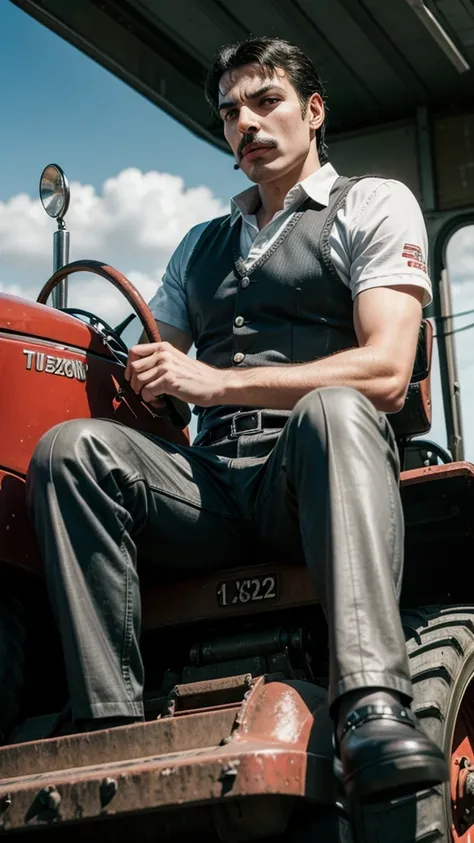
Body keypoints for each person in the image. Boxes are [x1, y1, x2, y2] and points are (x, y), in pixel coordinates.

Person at [26, 36, 448, 802]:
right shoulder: (201, 247)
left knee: (335, 409)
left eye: (265, 102)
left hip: (316, 473)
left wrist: (212, 383)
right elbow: (162, 361)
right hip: (214, 488)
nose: (245, 123)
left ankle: (372, 707)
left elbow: (388, 369)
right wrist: (148, 378)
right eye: (229, 111)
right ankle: (107, 728)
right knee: (70, 451)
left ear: (313, 112)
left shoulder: (373, 203)